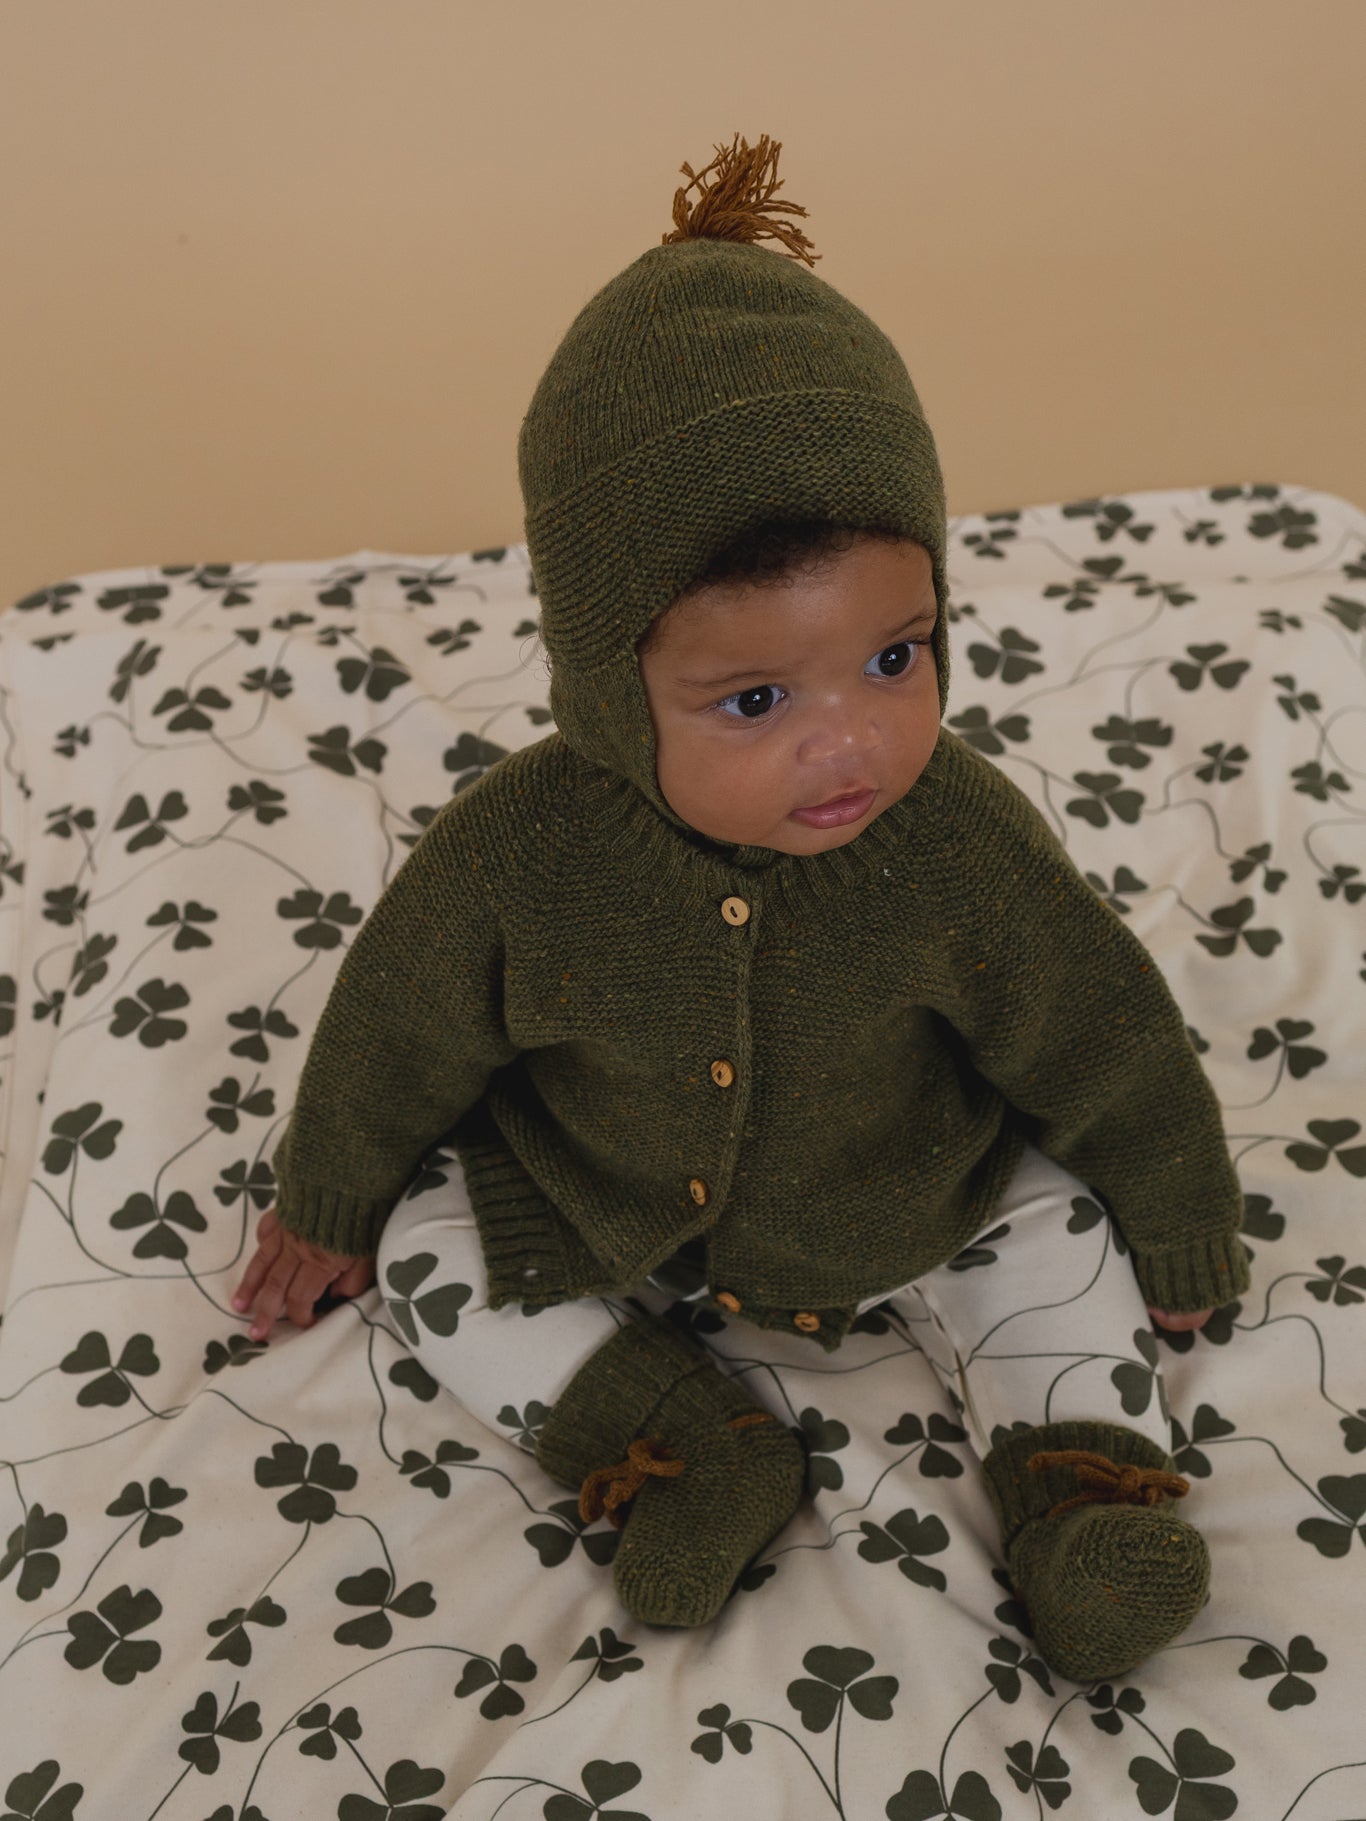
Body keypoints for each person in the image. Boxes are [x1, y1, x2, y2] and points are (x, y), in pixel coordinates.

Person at [233, 134, 1249, 1682]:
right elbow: (395, 1025)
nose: (849, 742)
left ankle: (1082, 1496)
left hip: (917, 1183)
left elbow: (1101, 1031)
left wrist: (1175, 1203)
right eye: (756, 696)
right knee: (431, 1249)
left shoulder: (955, 841)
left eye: (895, 657)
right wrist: (328, 1191)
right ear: (607, 684)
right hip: (609, 1192)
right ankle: (686, 1443)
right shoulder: (520, 855)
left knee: (1052, 1244)